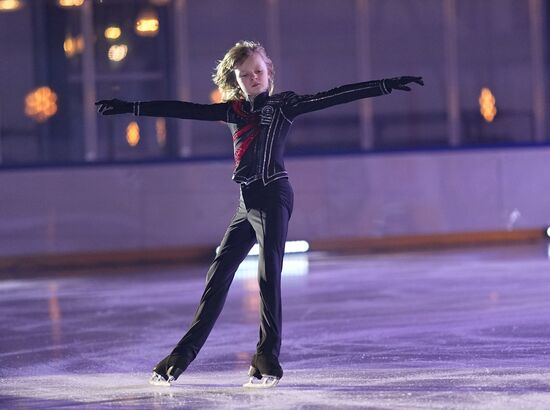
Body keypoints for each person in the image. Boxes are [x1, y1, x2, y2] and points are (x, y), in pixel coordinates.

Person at [96, 40, 423, 388]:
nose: (254, 78)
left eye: (258, 71)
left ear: (269, 72)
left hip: (274, 196)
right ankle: (180, 356)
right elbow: (183, 109)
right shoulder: (233, 111)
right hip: (246, 202)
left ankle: (267, 359)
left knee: (268, 275)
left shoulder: (284, 105)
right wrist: (132, 107)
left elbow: (335, 95)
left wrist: (383, 85)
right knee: (217, 275)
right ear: (236, 79)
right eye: (246, 74)